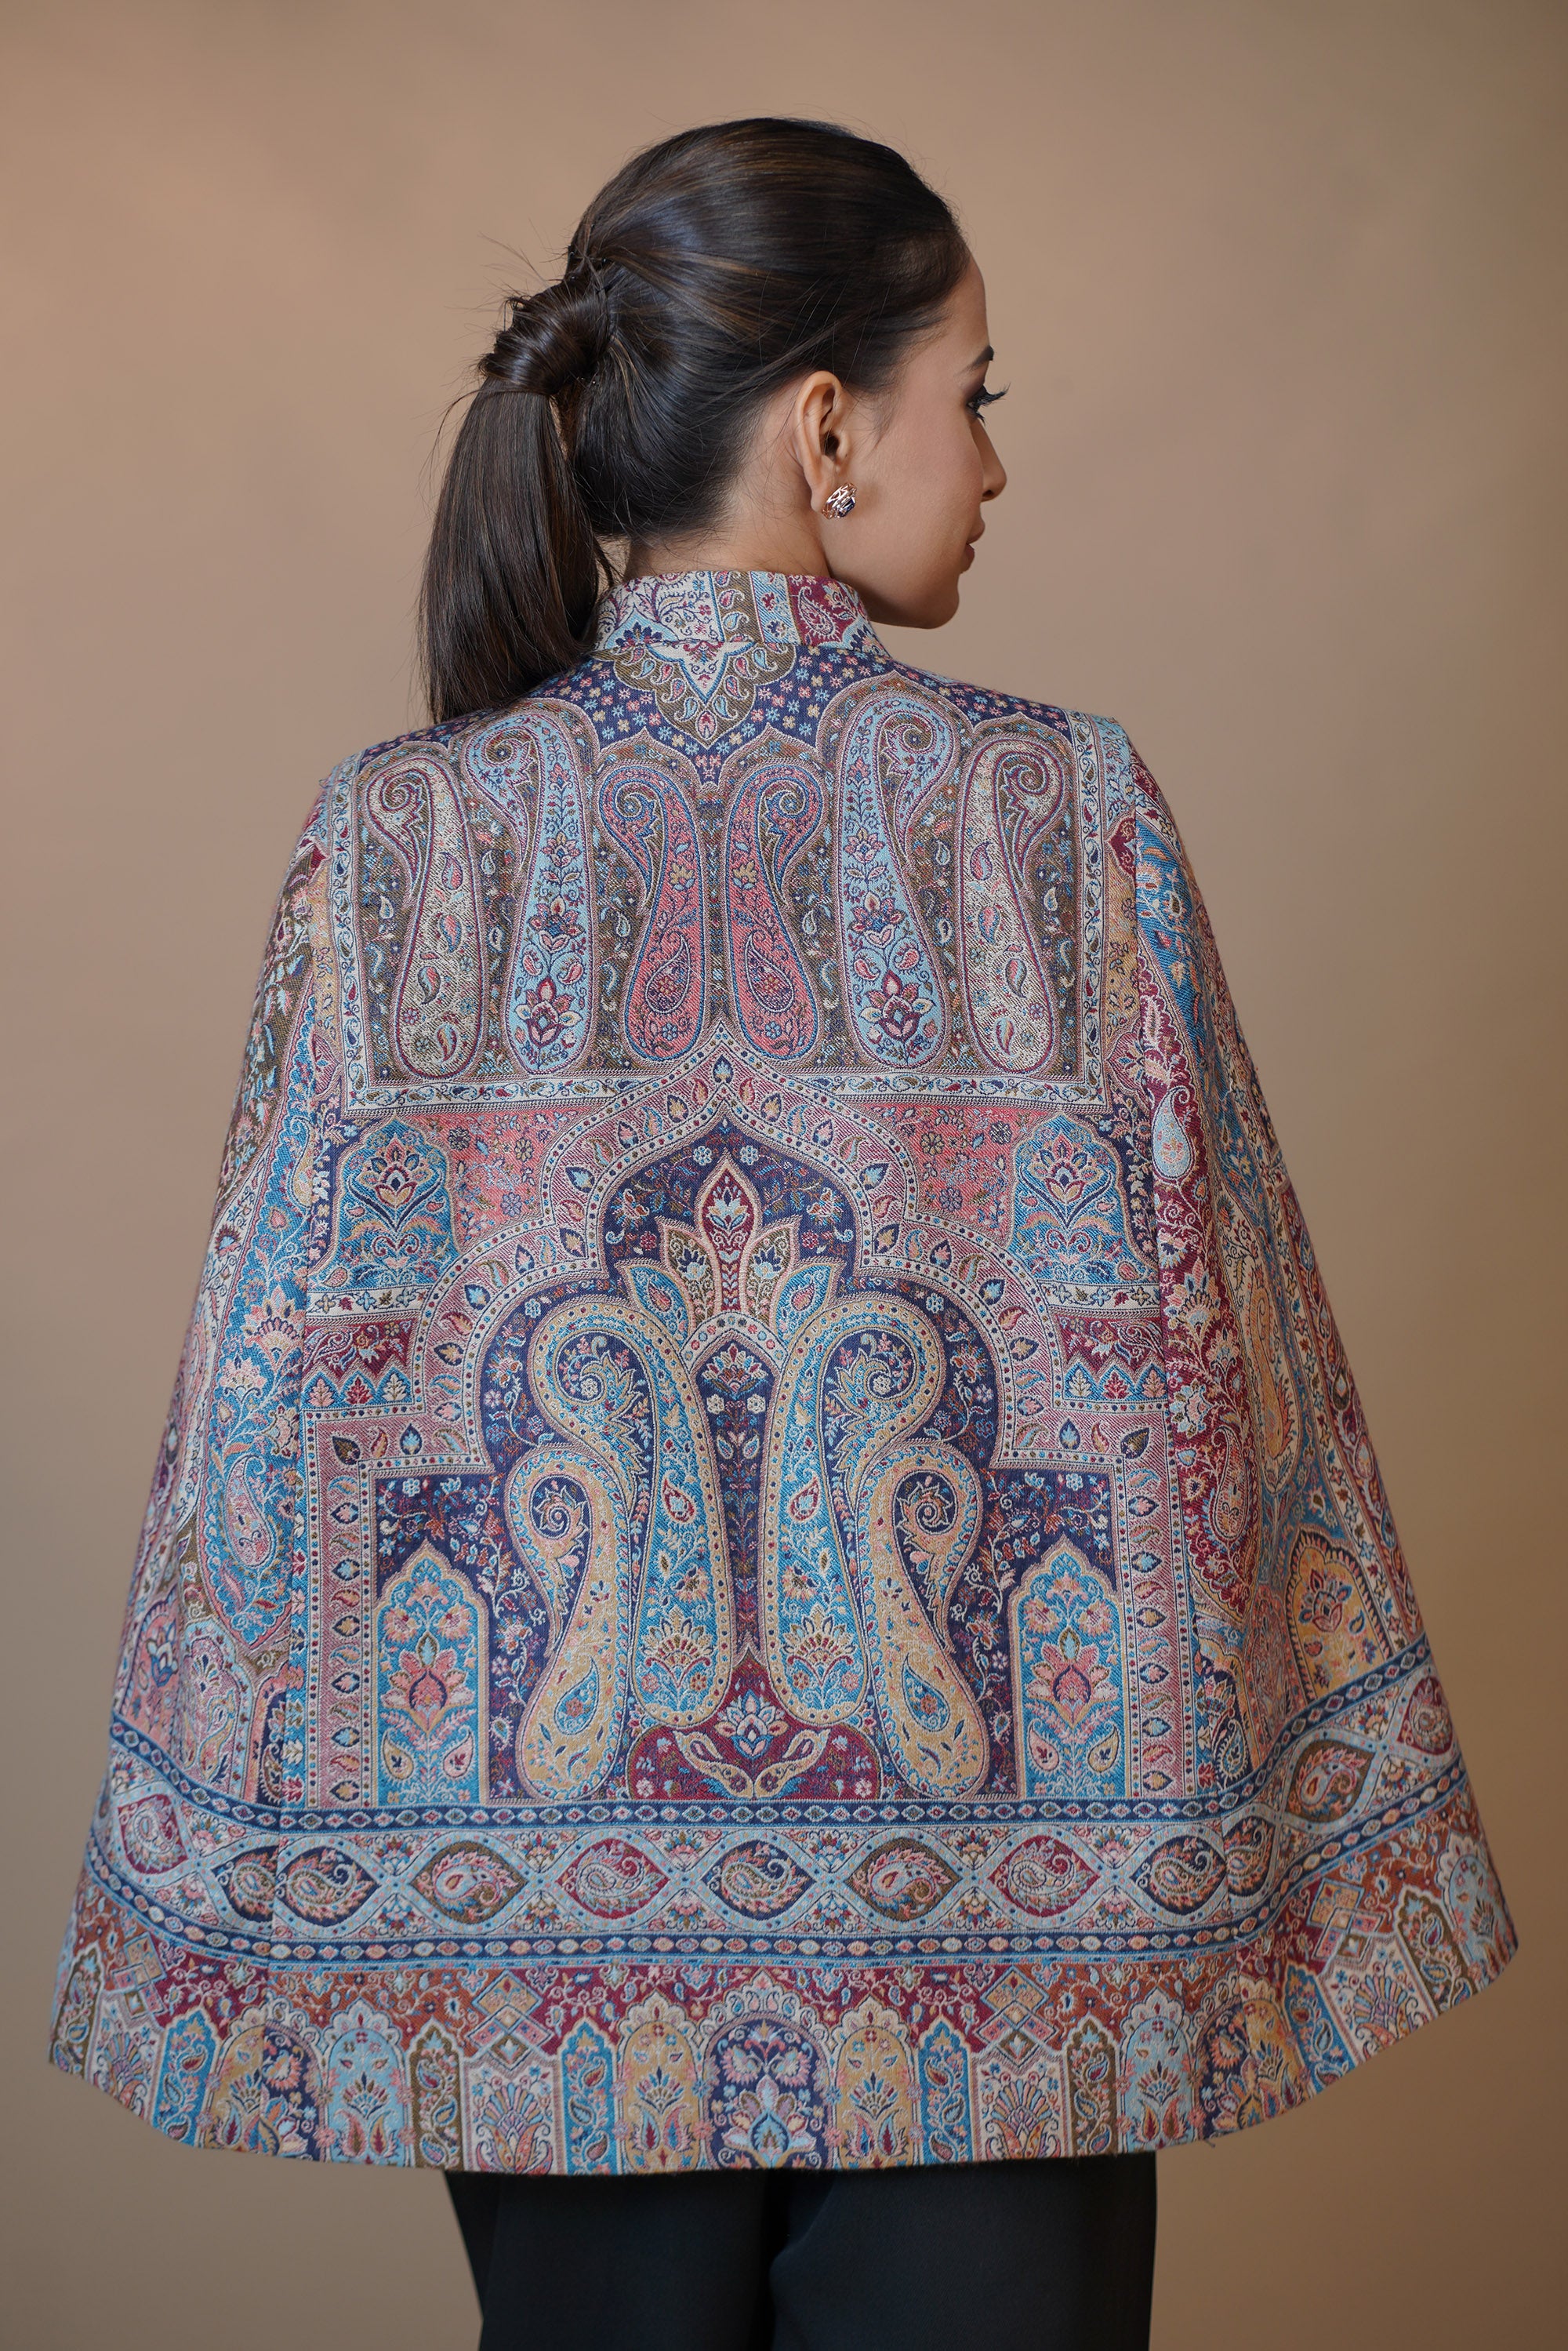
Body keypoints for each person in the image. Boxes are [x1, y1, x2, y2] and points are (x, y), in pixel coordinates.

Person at [51, 117, 1513, 2351]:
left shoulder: (395, 838)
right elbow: (1232, 1376)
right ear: (827, 429)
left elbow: (260, 1420)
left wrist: (246, 1863)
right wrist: (1263, 1824)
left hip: (538, 1989)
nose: (993, 466)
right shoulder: (1064, 809)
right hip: (1010, 1968)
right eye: (973, 397)